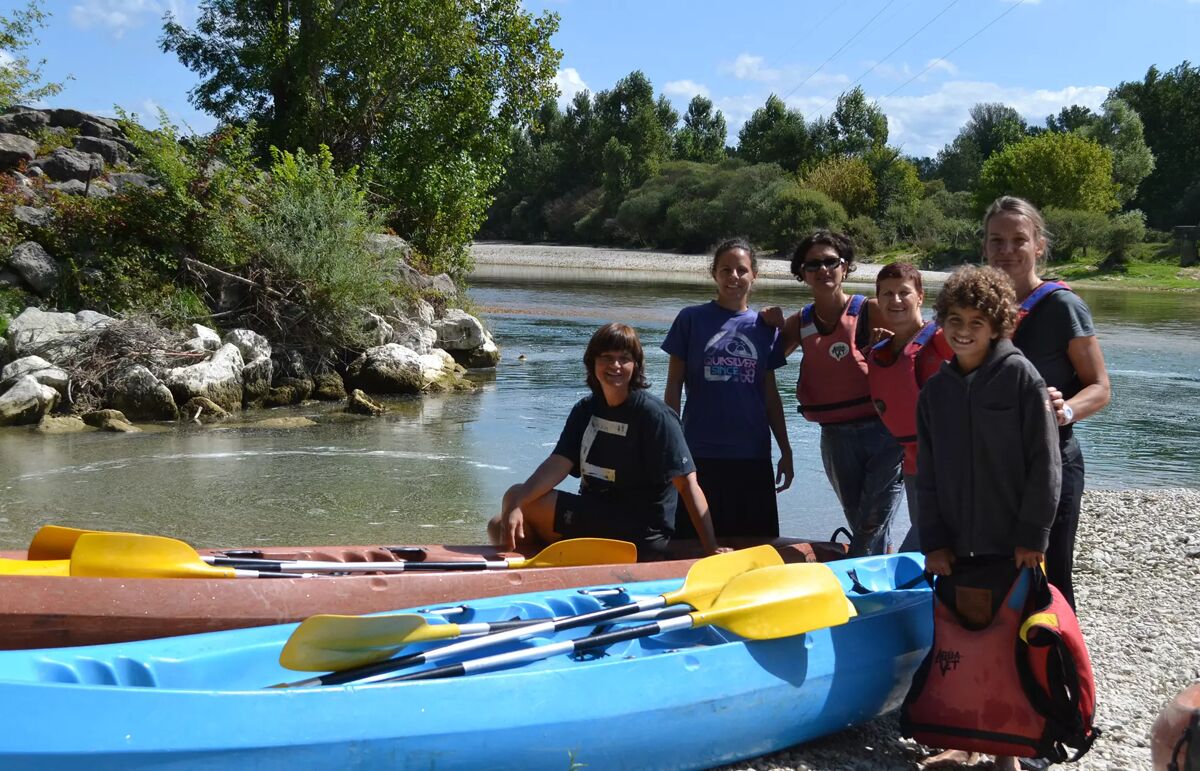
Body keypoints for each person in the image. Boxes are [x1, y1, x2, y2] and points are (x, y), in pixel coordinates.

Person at [916, 265, 1062, 771]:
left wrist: (1033, 534)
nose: (963, 330)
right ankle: (963, 738)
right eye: (953, 318)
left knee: (1004, 650)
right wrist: (932, 540)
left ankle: (1007, 753)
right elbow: (926, 474)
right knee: (961, 643)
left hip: (1011, 546)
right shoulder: (935, 392)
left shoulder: (1023, 378)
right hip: (955, 546)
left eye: (977, 320)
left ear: (1000, 324)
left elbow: (1047, 463)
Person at [489, 322, 727, 559]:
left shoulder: (655, 416)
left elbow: (687, 485)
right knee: (499, 521)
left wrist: (710, 546)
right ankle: (529, 573)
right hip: (596, 514)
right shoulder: (586, 409)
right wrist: (518, 503)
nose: (615, 365)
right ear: (592, 362)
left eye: (624, 358)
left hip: (640, 532)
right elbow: (558, 463)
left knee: (517, 499)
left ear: (636, 365)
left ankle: (523, 574)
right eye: (606, 357)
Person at [982, 196, 1112, 610]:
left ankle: (1062, 669)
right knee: (995, 572)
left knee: (1051, 578)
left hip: (1052, 464)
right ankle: (1007, 669)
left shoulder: (1062, 306)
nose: (1006, 251)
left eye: (1018, 240)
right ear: (984, 246)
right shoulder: (978, 308)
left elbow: (1100, 387)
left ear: (1038, 245)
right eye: (996, 240)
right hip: (994, 466)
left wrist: (1066, 410)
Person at [769, 230, 904, 556]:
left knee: (872, 521)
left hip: (884, 433)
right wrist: (763, 325)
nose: (822, 270)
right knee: (861, 521)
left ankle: (856, 577)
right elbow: (761, 363)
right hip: (836, 438)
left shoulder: (872, 310)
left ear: (845, 267)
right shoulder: (798, 323)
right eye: (812, 264)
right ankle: (879, 577)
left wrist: (890, 347)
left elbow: (919, 350)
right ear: (801, 273)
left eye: (831, 262)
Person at [662, 237, 792, 540]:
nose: (734, 277)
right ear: (714, 274)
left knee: (753, 545)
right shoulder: (690, 319)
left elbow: (770, 396)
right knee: (694, 544)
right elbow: (673, 389)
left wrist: (786, 450)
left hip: (752, 456)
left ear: (754, 276)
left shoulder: (764, 327)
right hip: (698, 455)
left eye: (742, 270)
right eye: (726, 270)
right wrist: (671, 448)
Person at [865, 262, 953, 553]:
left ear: (920, 297)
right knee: (926, 544)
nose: (896, 300)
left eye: (904, 292)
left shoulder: (941, 340)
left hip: (950, 462)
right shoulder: (880, 351)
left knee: (929, 544)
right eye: (887, 294)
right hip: (914, 463)